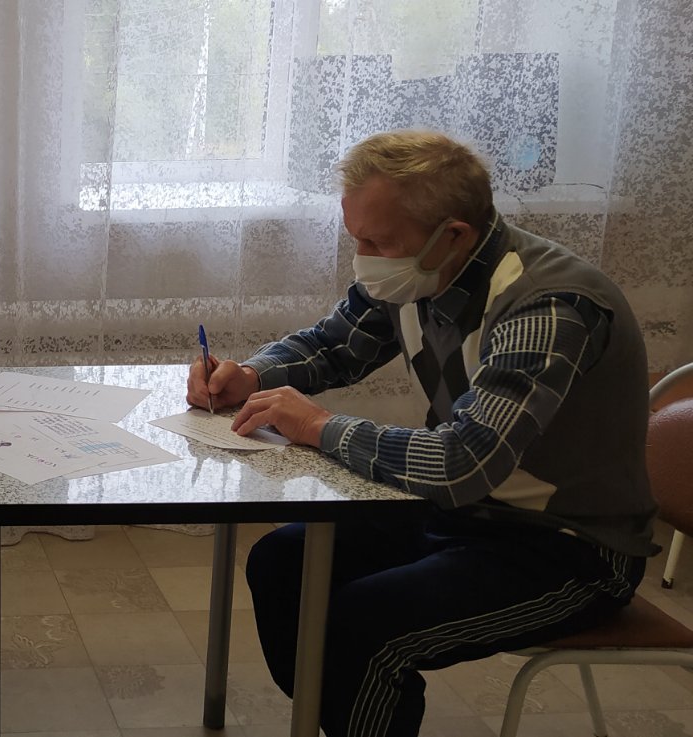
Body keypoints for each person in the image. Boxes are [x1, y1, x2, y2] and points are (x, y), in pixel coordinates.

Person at [187, 130, 658, 737]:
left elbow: (463, 463)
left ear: (452, 235)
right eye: (357, 237)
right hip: (461, 513)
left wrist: (319, 427)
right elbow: (335, 345)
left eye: (377, 242)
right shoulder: (419, 270)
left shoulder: (547, 306)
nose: (363, 257)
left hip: (570, 545)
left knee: (366, 626)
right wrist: (251, 376)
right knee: (281, 563)